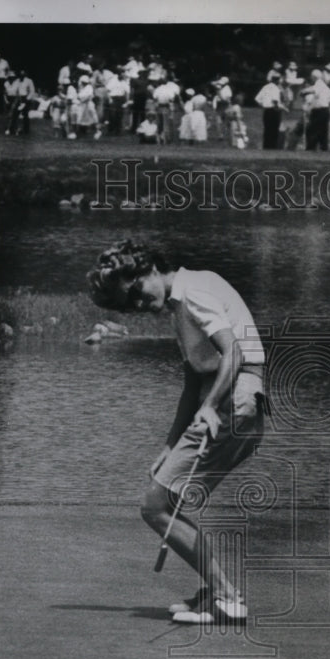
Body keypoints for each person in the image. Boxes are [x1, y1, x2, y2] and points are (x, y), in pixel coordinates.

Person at [87, 240, 267, 624]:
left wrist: (209, 408)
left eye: (135, 292)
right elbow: (192, 382)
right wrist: (171, 445)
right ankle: (216, 592)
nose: (137, 305)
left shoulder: (196, 291)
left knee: (155, 505)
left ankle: (226, 597)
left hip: (233, 402)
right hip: (233, 402)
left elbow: (232, 352)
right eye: (127, 304)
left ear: (150, 268)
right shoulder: (181, 303)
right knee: (170, 500)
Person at [302, 65, 330, 151]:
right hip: (325, 110)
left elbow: (313, 90)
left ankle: (311, 148)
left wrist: (304, 92)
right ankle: (323, 148)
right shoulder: (323, 85)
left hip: (319, 111)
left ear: (314, 77)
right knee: (323, 130)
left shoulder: (319, 83)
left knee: (312, 129)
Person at [254, 71, 285, 150]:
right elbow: (275, 101)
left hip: (266, 111)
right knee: (274, 130)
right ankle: (272, 147)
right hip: (274, 111)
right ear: (278, 80)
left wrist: (264, 105)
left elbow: (257, 99)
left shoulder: (265, 87)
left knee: (267, 130)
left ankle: (266, 147)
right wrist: (282, 108)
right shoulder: (276, 88)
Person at [5, 68, 35, 135]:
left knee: (25, 115)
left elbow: (32, 91)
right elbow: (13, 90)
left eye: (23, 74)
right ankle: (12, 129)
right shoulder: (17, 81)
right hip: (18, 98)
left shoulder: (29, 81)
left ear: (25, 74)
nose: (21, 76)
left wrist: (27, 99)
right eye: (20, 74)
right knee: (15, 114)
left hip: (26, 98)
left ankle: (26, 130)